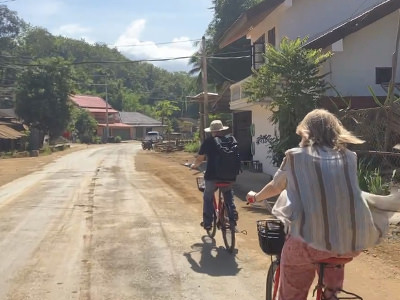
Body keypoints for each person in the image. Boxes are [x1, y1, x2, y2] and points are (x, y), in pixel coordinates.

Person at [246, 109, 400, 300]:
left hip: (308, 243)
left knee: (293, 285)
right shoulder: (349, 157)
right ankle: (331, 293)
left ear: (305, 132)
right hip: (351, 242)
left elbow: (276, 186)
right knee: (334, 257)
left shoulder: (295, 156)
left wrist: (256, 197)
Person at [191, 120, 238, 230]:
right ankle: (232, 215)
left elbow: (200, 158)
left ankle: (207, 223)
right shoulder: (230, 141)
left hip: (212, 176)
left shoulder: (208, 142)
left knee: (207, 196)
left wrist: (194, 165)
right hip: (229, 176)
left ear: (212, 131)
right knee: (228, 194)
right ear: (222, 130)